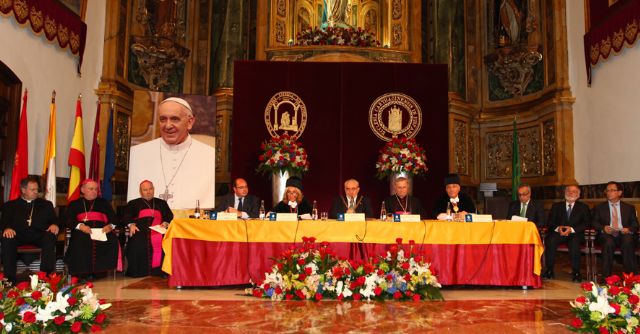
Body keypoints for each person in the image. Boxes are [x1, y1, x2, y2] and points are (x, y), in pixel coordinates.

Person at [127, 97, 216, 210]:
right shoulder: (136, 154)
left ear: (190, 122)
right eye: (163, 119)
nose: (168, 126)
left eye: (175, 119)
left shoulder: (210, 155)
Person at [0, 177, 59, 283]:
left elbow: (55, 220)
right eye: (33, 190)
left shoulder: (46, 205)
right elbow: (4, 222)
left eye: (37, 189)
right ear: (23, 190)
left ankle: (46, 276)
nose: (36, 192)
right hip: (18, 236)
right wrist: (7, 228)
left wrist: (54, 224)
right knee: (7, 238)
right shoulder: (10, 205)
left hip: (39, 235)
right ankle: (9, 278)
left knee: (50, 236)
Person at [64, 179, 120, 278]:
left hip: (102, 230)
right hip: (82, 231)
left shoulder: (104, 203)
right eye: (91, 189)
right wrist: (80, 226)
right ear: (82, 190)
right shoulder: (74, 204)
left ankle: (101, 271)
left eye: (96, 189)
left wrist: (110, 226)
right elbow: (67, 219)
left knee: (112, 241)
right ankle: (82, 272)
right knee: (80, 241)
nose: (94, 191)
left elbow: (115, 219)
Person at [123, 180, 173, 277]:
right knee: (137, 242)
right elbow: (126, 216)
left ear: (153, 189)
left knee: (166, 243)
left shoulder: (161, 203)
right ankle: (138, 271)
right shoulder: (133, 203)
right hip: (140, 230)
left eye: (150, 189)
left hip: (159, 230)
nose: (148, 192)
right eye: (145, 190)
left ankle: (161, 271)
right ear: (140, 191)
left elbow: (169, 215)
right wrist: (131, 225)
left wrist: (165, 222)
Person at [542, 185, 590, 282]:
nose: (570, 193)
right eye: (568, 191)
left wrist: (572, 229)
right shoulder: (556, 206)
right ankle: (549, 270)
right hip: (558, 233)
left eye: (574, 191)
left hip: (575, 233)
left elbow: (587, 223)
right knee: (550, 240)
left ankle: (576, 272)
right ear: (564, 193)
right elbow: (550, 222)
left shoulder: (583, 207)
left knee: (574, 242)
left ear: (578, 195)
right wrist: (557, 228)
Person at [591, 181, 638, 278]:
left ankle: (631, 277)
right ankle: (606, 277)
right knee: (608, 242)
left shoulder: (629, 208)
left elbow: (635, 224)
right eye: (607, 190)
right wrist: (603, 228)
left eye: (612, 190)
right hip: (607, 234)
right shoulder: (599, 207)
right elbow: (594, 222)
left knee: (628, 241)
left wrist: (628, 229)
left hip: (624, 234)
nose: (609, 192)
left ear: (619, 193)